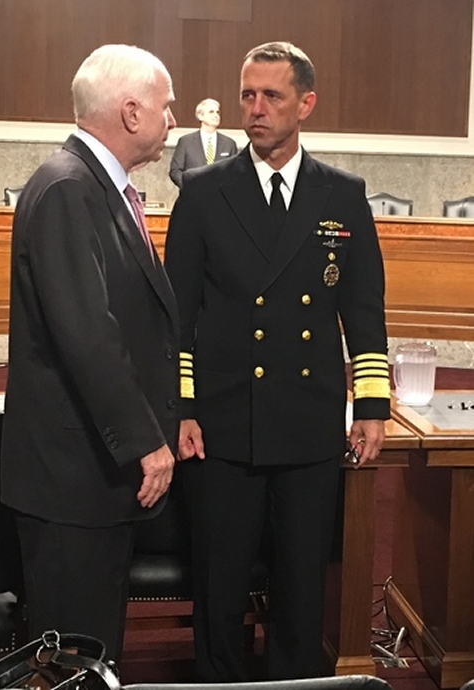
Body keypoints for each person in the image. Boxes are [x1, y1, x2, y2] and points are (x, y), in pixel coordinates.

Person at [164, 41, 391, 681]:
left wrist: (371, 405)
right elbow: (178, 318)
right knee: (220, 595)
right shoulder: (203, 193)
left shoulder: (342, 196)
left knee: (299, 597)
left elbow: (365, 311)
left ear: (306, 105)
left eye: (272, 96)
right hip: (222, 428)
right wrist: (180, 407)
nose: (255, 110)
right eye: (247, 95)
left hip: (307, 426)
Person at [0, 44, 179, 662]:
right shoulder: (69, 189)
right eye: (166, 106)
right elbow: (87, 335)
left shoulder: (96, 187)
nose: (172, 121)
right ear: (131, 112)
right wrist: (145, 441)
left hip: (90, 481)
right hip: (71, 483)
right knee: (73, 661)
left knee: (92, 655)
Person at [168, 98, 238, 188]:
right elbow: (175, 171)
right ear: (200, 116)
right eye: (211, 112)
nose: (216, 115)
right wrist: (189, 186)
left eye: (217, 112)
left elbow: (235, 172)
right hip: (192, 197)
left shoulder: (229, 144)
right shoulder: (186, 142)